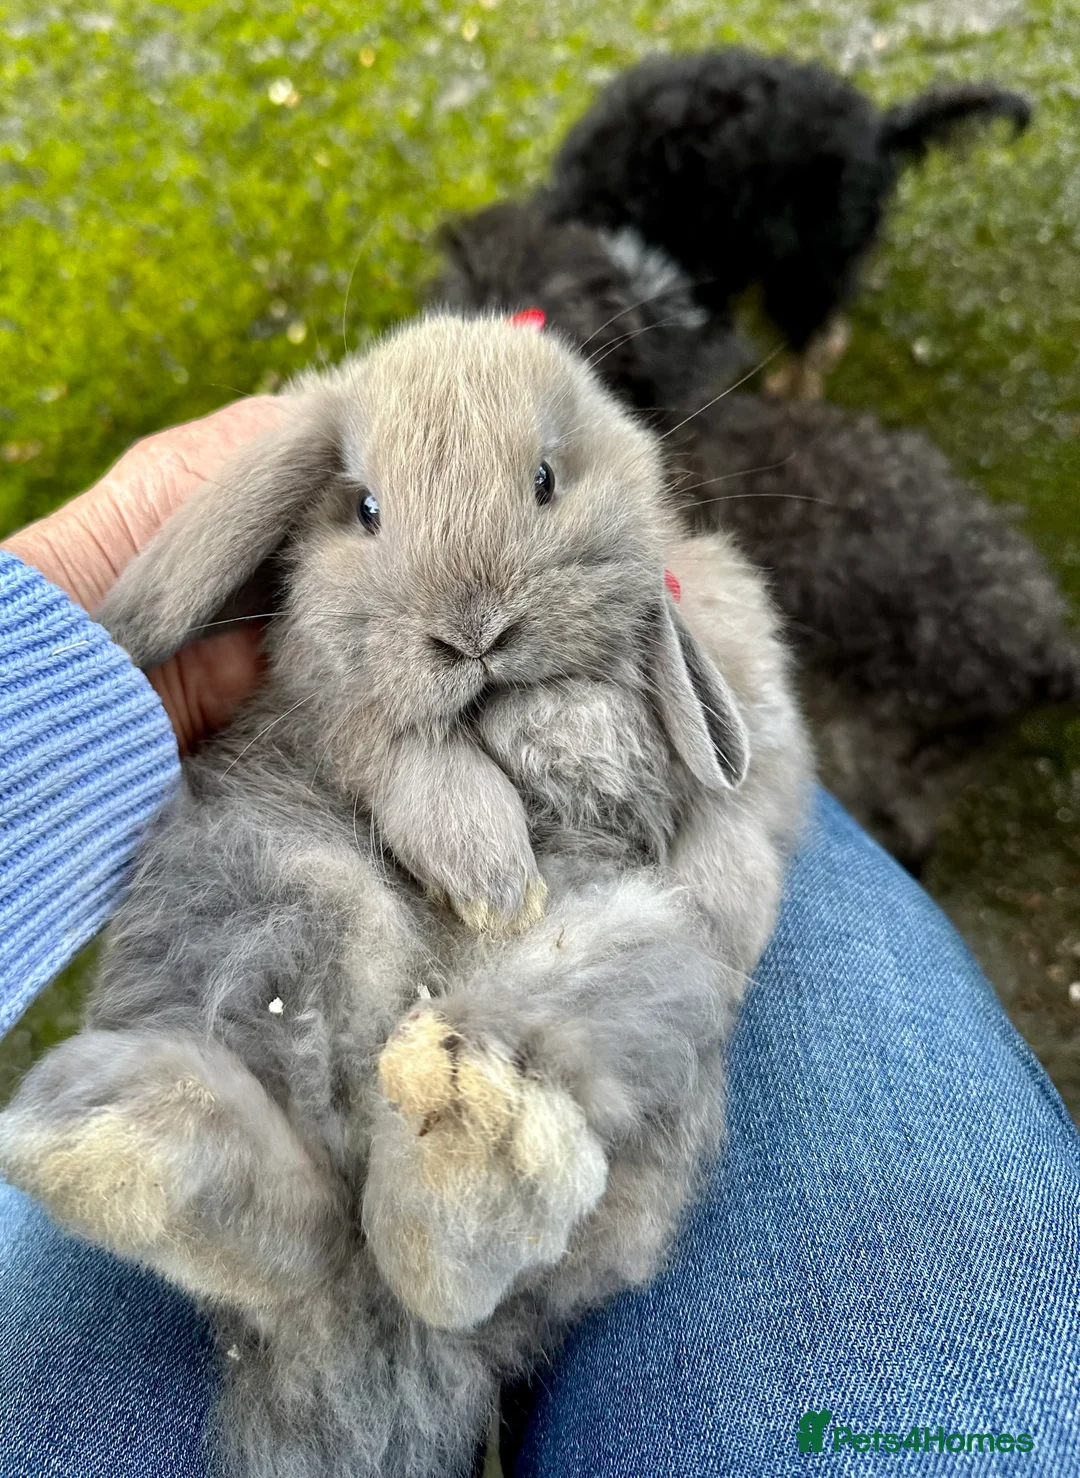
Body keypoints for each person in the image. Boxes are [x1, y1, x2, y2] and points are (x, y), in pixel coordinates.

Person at [0, 406, 1078, 1478]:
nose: (470, 621)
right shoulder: (315, 618)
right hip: (333, 961)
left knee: (641, 947)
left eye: (543, 487)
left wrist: (715, 890)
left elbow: (739, 805)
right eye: (369, 510)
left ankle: (474, 1198)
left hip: (548, 983)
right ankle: (230, 1164)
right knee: (236, 849)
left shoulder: (675, 599)